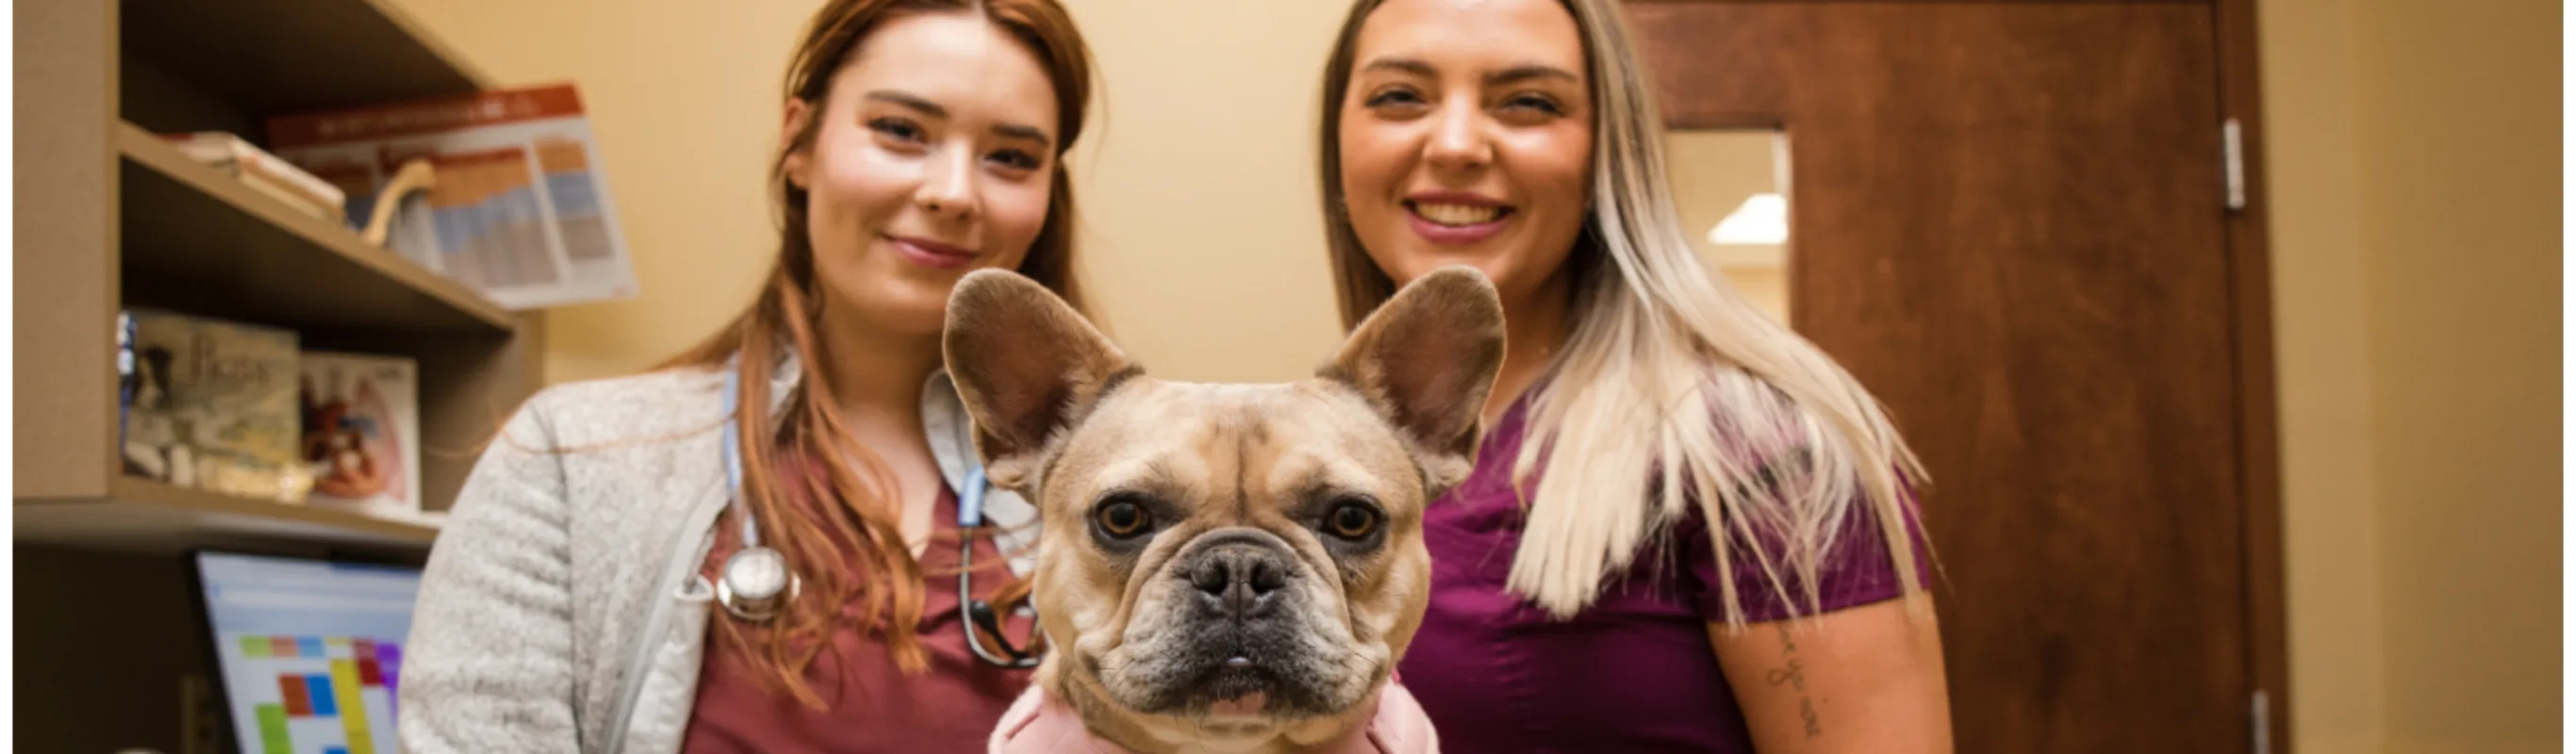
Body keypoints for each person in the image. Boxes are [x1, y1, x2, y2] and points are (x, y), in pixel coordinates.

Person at [397, 0, 1095, 750]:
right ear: (799, 139)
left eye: (1012, 157)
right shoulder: (572, 462)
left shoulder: (1126, 497)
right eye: (900, 131)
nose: (954, 192)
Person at [1313, 0, 1956, 751]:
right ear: (1340, 142)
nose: (1455, 144)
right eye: (1400, 96)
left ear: (1606, 154)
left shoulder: (1762, 451)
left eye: (1528, 102)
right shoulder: (1353, 454)